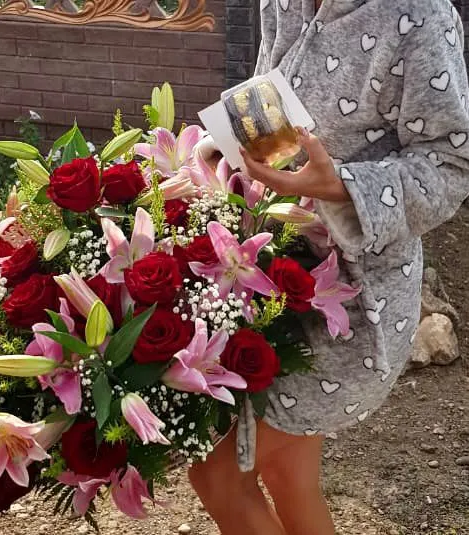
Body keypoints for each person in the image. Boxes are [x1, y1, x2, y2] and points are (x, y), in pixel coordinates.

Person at [189, 1, 469, 534]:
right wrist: (212, 149)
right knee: (288, 475)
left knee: (217, 474)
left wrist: (341, 186)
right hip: (273, 277)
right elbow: (271, 97)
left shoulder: (419, 15)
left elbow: (452, 166)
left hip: (356, 307)